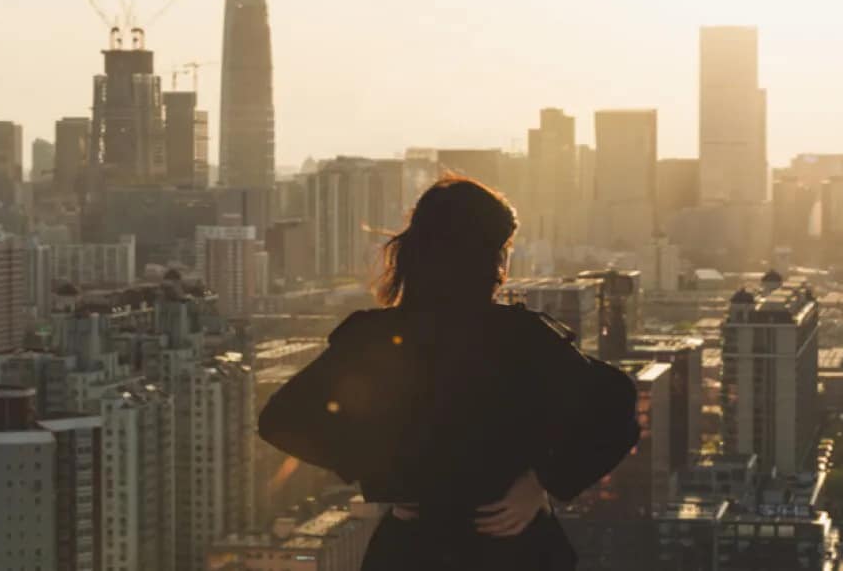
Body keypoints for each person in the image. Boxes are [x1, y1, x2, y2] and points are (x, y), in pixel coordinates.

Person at [258, 176, 639, 571]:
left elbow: (282, 418)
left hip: (413, 549)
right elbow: (617, 407)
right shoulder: (523, 337)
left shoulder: (374, 337)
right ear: (489, 259)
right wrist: (543, 481)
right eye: (502, 249)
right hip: (511, 550)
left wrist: (381, 473)